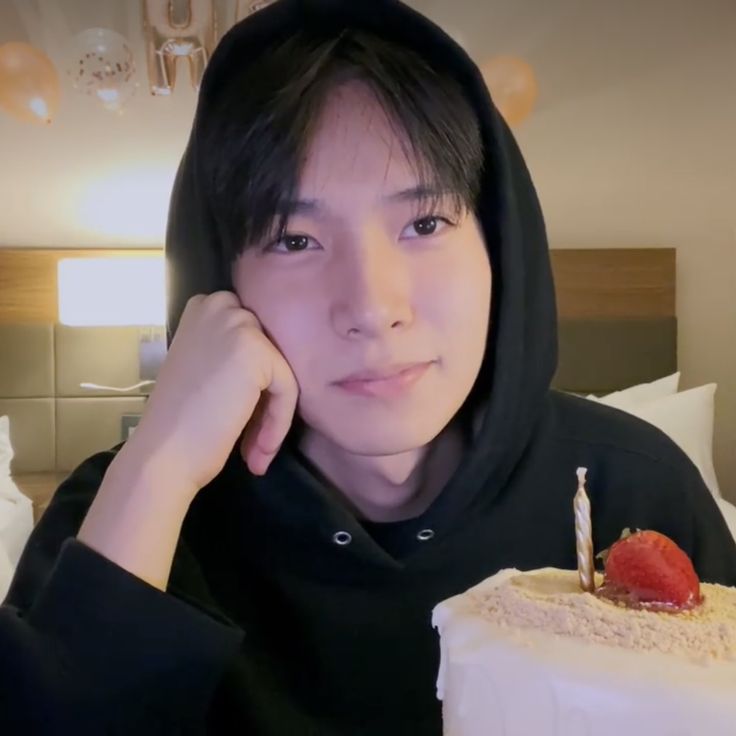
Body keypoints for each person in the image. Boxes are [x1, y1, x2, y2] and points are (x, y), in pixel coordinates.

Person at [2, 1, 735, 734]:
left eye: (424, 223)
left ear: (499, 249)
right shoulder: (119, 516)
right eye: (293, 239)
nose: (371, 306)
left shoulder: (636, 489)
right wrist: (157, 467)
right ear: (218, 285)